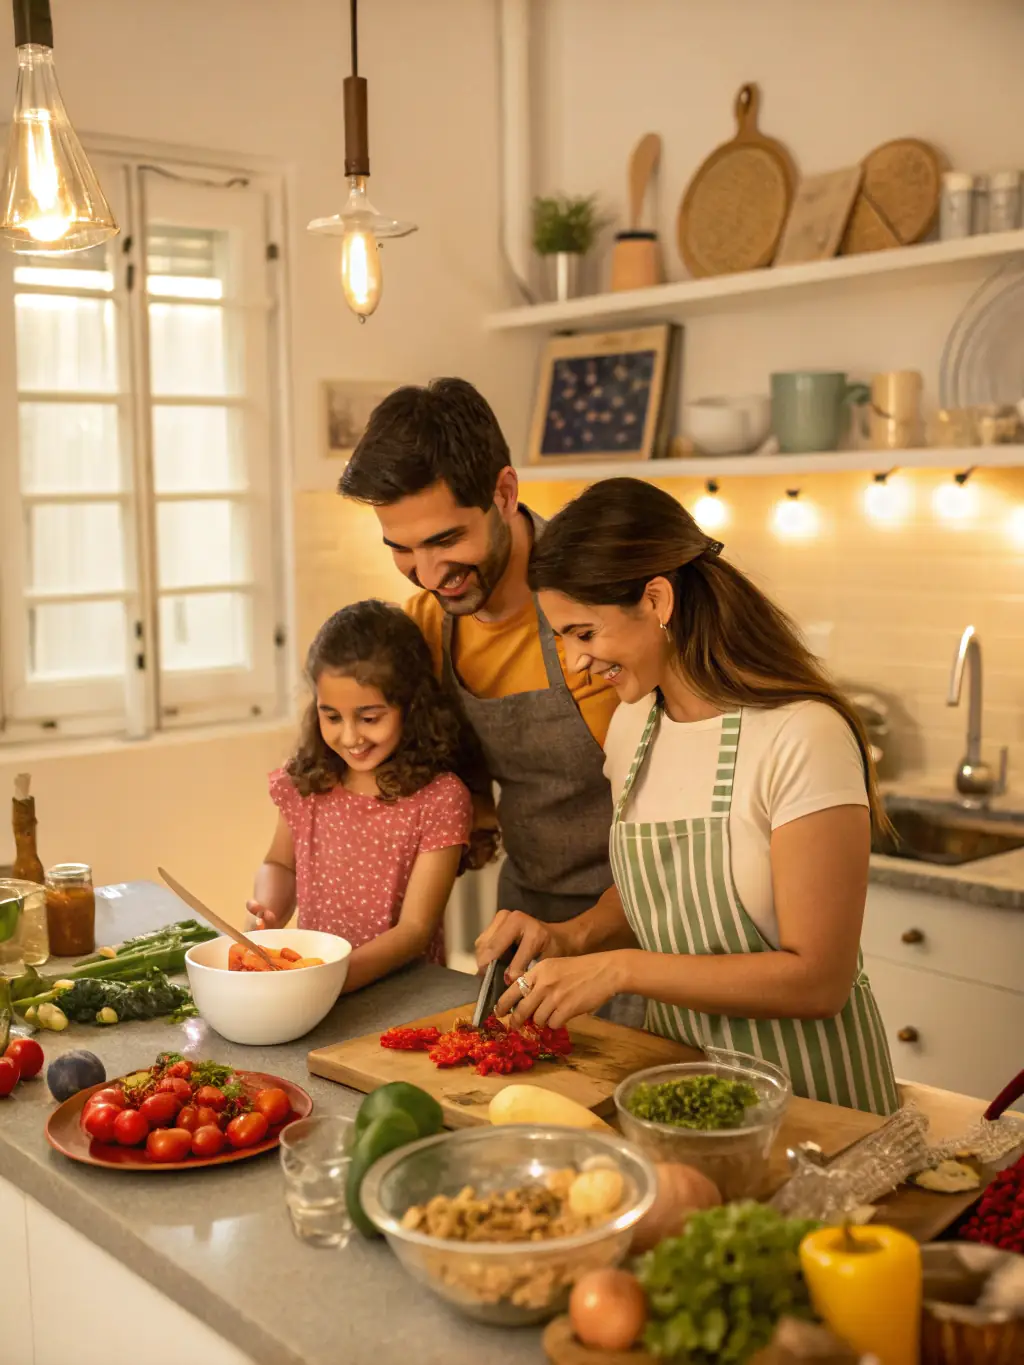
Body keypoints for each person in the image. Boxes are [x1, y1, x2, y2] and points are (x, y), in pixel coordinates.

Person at [476, 477, 899, 1115]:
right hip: (681, 1090)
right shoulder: (634, 725)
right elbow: (659, 887)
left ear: (656, 600)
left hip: (815, 1103)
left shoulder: (802, 734)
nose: (574, 662)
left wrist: (620, 969)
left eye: (585, 633)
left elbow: (819, 981)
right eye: (562, 636)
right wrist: (573, 936)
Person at [339, 378, 619, 928]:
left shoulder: (597, 608)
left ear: (504, 492)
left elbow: (676, 817)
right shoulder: (424, 626)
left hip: (647, 916)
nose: (428, 574)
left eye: (445, 540)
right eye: (401, 548)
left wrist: (577, 941)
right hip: (526, 908)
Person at [249, 600, 472, 994]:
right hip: (317, 988)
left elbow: (416, 930)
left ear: (411, 707)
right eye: (331, 716)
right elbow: (280, 864)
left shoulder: (439, 799)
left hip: (403, 997)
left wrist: (334, 978)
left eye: (369, 718)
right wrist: (269, 909)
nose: (350, 737)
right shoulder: (307, 782)